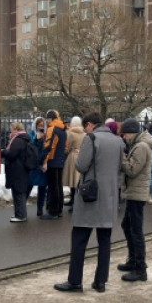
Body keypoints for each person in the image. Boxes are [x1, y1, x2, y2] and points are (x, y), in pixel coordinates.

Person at [54, 113, 123, 293]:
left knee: (79, 239)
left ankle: (75, 281)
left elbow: (82, 166)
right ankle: (100, 281)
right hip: (109, 197)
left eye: (86, 126)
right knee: (105, 241)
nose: (85, 130)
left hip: (90, 197)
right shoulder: (118, 141)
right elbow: (121, 168)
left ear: (90, 124)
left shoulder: (91, 139)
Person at [119, 118, 152, 282]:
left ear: (130, 133)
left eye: (124, 134)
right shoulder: (139, 144)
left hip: (137, 193)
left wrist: (122, 158)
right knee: (127, 225)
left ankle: (140, 268)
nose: (124, 138)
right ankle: (133, 260)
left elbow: (132, 170)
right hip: (134, 192)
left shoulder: (141, 147)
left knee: (136, 230)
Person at [41, 110, 67, 220]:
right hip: (60, 161)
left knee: (52, 187)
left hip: (52, 161)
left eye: (47, 118)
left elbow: (49, 146)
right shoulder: (63, 130)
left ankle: (53, 211)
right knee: (58, 186)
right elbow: (65, 147)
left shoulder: (52, 129)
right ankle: (59, 209)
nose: (47, 121)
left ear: (51, 118)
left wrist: (44, 161)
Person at [2, 122, 29, 222]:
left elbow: (11, 154)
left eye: (12, 128)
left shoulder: (18, 140)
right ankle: (19, 214)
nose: (10, 130)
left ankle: (21, 215)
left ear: (16, 129)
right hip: (20, 169)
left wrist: (3, 152)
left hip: (18, 169)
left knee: (18, 193)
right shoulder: (22, 138)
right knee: (18, 192)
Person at [62, 116, 85, 211]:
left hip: (73, 157)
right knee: (78, 180)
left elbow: (67, 147)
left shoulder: (70, 133)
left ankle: (73, 201)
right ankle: (76, 201)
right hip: (81, 156)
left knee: (72, 180)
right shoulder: (84, 133)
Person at [27, 117, 48, 217]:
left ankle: (40, 209)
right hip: (33, 164)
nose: (40, 127)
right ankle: (22, 207)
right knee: (29, 185)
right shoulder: (31, 134)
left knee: (42, 188)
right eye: (39, 125)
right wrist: (36, 139)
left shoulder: (46, 135)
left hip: (42, 163)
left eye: (42, 125)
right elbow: (30, 147)